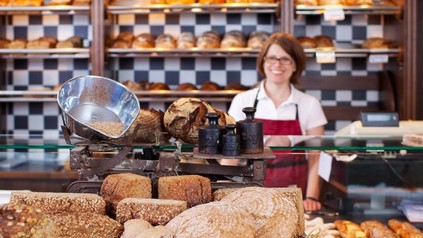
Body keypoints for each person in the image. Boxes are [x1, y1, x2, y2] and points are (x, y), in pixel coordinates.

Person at [228, 32, 327, 211]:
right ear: (263, 62)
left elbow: (316, 157)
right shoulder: (243, 101)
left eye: (285, 59)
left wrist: (311, 197)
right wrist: (225, 193)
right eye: (272, 58)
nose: (277, 65)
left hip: (295, 197)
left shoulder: (310, 104)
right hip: (249, 196)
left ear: (295, 64)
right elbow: (230, 155)